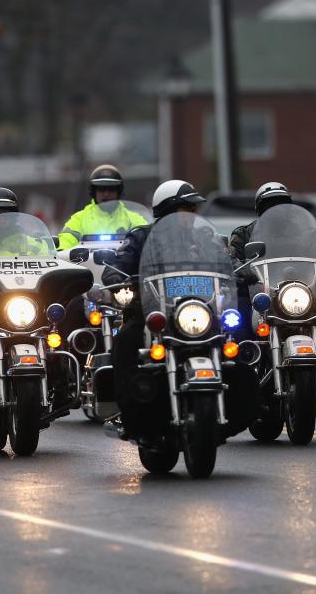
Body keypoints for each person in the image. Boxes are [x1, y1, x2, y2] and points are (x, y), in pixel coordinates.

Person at [229, 182, 316, 398]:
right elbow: (232, 258)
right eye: (270, 205)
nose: (276, 209)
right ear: (260, 210)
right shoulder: (244, 234)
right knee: (236, 317)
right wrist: (237, 268)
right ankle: (240, 381)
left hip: (300, 295)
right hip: (263, 297)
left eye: (281, 204)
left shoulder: (306, 233)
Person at [102, 180, 205, 439]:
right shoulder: (141, 237)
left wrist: (241, 269)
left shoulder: (203, 238)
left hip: (195, 313)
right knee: (125, 341)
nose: (192, 216)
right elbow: (116, 267)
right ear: (168, 211)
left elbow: (226, 262)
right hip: (150, 315)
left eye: (193, 210)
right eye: (186, 210)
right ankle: (128, 410)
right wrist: (118, 278)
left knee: (233, 338)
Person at [57, 165, 149, 251]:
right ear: (94, 192)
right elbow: (64, 246)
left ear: (119, 192)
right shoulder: (78, 220)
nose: (106, 194)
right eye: (101, 189)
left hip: (125, 268)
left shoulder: (134, 220)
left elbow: (148, 244)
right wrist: (61, 249)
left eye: (111, 189)